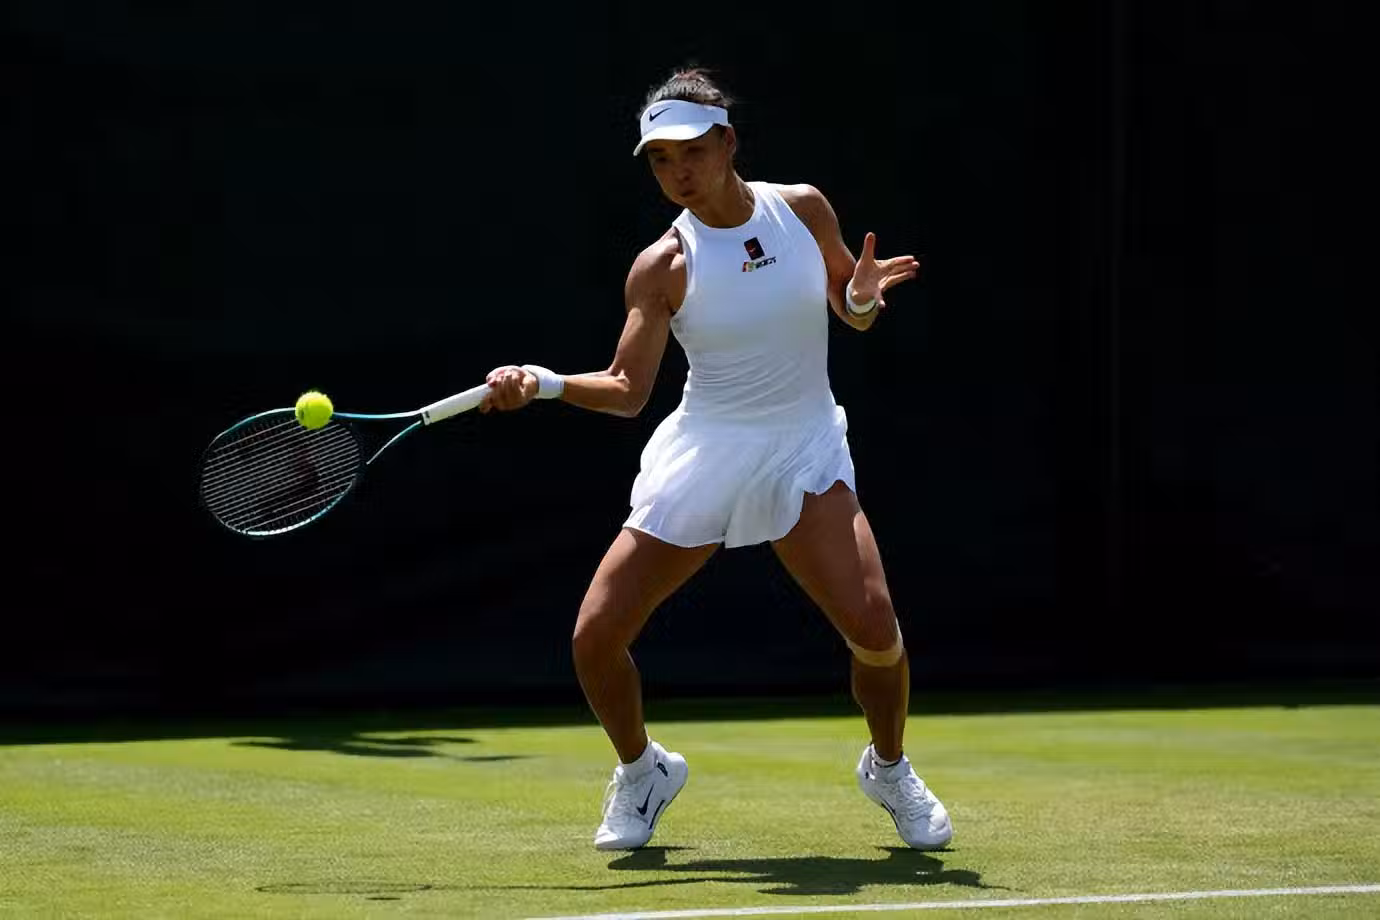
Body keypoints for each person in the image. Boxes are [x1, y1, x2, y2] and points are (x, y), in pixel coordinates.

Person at [479, 67, 952, 853]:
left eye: (691, 151)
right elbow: (628, 390)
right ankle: (643, 771)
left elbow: (853, 311)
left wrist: (863, 298)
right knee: (595, 638)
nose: (678, 173)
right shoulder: (661, 265)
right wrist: (544, 382)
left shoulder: (802, 209)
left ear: (728, 142)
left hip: (803, 443)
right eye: (661, 161)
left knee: (875, 629)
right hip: (709, 447)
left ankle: (889, 766)